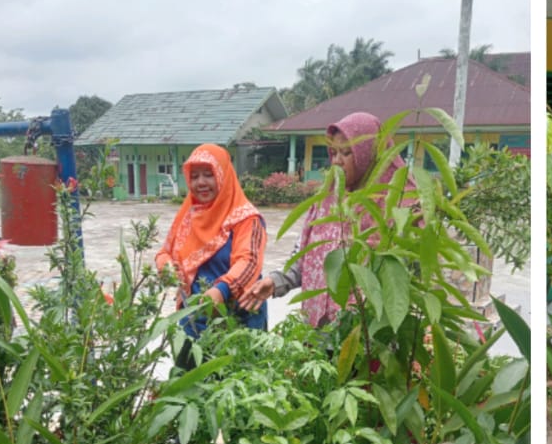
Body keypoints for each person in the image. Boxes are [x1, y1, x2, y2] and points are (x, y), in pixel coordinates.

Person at [239, 113, 411, 327]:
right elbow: (302, 258)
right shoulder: (324, 203)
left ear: (369, 153)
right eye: (334, 152)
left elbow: (406, 274)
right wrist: (275, 282)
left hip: (367, 334)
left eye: (347, 153)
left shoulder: (395, 206)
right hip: (319, 331)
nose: (337, 160)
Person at [155, 144, 268, 358]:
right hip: (192, 319)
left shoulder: (247, 219)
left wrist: (221, 291)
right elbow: (164, 253)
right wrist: (167, 268)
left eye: (209, 175)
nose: (201, 183)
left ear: (224, 176)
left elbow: (249, 261)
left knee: (236, 382)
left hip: (236, 321)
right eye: (195, 176)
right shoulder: (188, 215)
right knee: (191, 383)